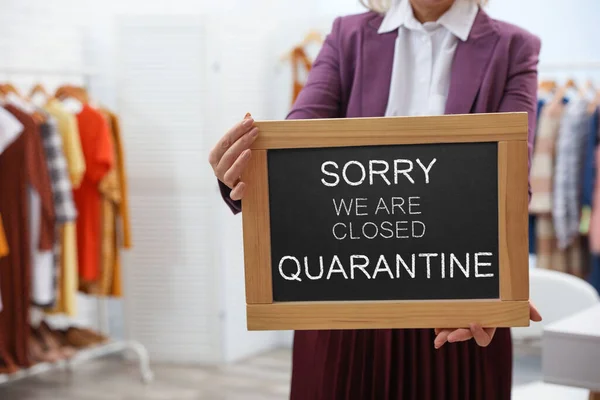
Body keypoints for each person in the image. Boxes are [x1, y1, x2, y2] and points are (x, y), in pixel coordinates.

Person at [209, 0, 543, 398]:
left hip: (458, 310)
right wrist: (242, 175)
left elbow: (510, 182)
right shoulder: (346, 36)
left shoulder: (515, 47)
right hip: (344, 309)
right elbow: (293, 159)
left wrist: (494, 293)